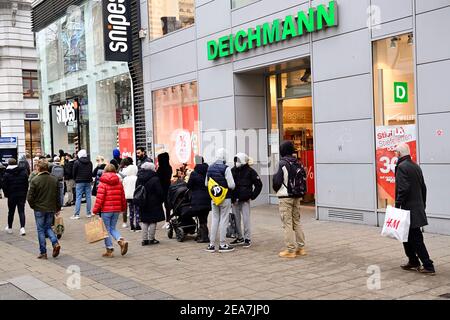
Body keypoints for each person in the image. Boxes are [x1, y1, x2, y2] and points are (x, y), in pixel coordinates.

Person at [395, 143, 435, 275]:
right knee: (405, 236)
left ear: (399, 154)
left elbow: (403, 188)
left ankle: (428, 265)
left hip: (408, 209)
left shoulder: (401, 167)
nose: (395, 155)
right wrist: (423, 204)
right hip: (416, 207)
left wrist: (397, 205)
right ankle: (413, 260)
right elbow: (424, 187)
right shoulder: (415, 166)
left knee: (416, 238)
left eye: (396, 153)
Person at [273, 141, 307, 259]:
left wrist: (276, 190)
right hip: (296, 196)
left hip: (285, 197)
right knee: (296, 221)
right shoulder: (298, 162)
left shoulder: (282, 163)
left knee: (287, 223)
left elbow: (277, 181)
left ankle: (290, 250)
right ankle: (301, 248)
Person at [27, 159, 61, 259]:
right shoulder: (54, 179)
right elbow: (58, 196)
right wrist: (58, 207)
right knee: (48, 227)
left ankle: (43, 252)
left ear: (39, 168)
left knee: (40, 229)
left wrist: (33, 205)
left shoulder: (35, 180)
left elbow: (30, 197)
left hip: (39, 208)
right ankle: (55, 243)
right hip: (51, 208)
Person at [92, 164, 128, 258]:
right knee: (113, 228)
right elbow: (122, 197)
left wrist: (95, 211)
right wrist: (123, 208)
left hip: (106, 210)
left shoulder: (102, 183)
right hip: (116, 209)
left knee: (106, 230)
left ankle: (109, 250)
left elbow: (99, 198)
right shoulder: (119, 182)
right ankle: (121, 240)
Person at [205, 148, 236, 253]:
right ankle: (222, 244)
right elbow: (231, 185)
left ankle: (211, 244)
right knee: (224, 220)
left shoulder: (210, 168)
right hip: (225, 198)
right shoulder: (226, 168)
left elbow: (206, 183)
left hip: (213, 198)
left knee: (214, 220)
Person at [230, 153, 263, 248]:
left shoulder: (250, 171)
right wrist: (231, 198)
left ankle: (247, 238)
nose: (237, 162)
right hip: (235, 200)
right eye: (236, 160)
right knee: (236, 220)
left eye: (239, 160)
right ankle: (239, 237)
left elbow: (259, 184)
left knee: (246, 220)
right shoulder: (232, 171)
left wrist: (252, 196)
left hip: (245, 200)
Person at [136, 162, 165, 246]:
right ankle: (151, 239)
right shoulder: (155, 178)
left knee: (145, 221)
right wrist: (161, 199)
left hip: (143, 202)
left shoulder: (139, 177)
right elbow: (159, 192)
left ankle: (144, 240)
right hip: (154, 202)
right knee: (153, 221)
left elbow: (137, 189)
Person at [187, 155, 211, 243]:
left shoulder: (194, 173)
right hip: (207, 198)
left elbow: (189, 186)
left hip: (197, 199)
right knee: (204, 218)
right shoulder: (208, 172)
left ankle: (204, 237)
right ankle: (202, 235)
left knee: (201, 219)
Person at [3, 158, 29, 236]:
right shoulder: (23, 172)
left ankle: (10, 228)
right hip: (21, 195)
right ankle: (22, 228)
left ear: (9, 164)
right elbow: (26, 184)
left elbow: (4, 186)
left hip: (12, 195)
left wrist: (6, 194)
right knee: (21, 211)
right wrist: (25, 192)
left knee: (11, 212)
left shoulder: (7, 174)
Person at [71, 149, 93, 220]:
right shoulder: (90, 162)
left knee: (78, 197)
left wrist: (75, 179)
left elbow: (74, 172)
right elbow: (90, 172)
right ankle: (89, 213)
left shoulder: (76, 162)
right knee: (88, 197)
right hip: (88, 181)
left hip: (79, 181)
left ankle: (77, 214)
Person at [122, 164, 141, 231]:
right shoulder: (136, 178)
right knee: (137, 211)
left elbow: (123, 187)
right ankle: (137, 225)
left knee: (131, 211)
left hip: (128, 196)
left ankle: (131, 225)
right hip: (136, 196)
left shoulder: (125, 179)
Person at [157, 152, 173, 228]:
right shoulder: (169, 167)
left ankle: (165, 221)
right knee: (167, 205)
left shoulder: (160, 169)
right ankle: (168, 220)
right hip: (168, 187)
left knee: (161, 205)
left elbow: (158, 178)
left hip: (161, 188)